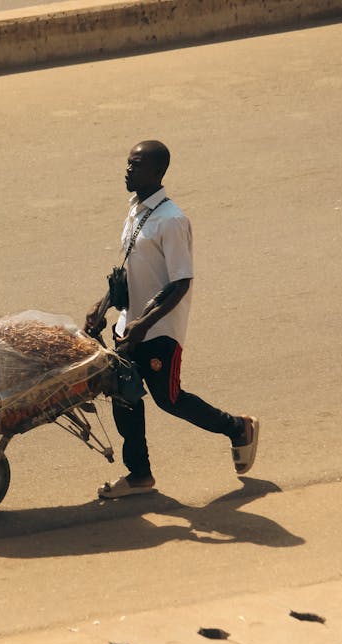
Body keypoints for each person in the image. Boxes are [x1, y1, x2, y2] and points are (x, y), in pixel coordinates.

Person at [85, 140, 259, 499]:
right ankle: (139, 475)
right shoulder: (137, 211)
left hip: (159, 332)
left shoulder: (172, 220)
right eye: (127, 164)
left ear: (157, 172)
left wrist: (144, 324)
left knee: (170, 399)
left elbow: (181, 283)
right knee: (124, 394)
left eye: (135, 165)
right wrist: (103, 307)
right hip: (129, 326)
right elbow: (130, 272)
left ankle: (238, 428)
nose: (127, 170)